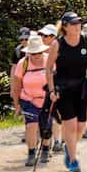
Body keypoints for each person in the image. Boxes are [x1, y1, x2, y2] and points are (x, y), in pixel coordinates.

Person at [46, 12, 87, 172]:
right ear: (65, 27)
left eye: (79, 22)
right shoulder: (58, 44)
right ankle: (73, 160)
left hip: (81, 88)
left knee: (81, 127)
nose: (77, 26)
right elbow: (49, 69)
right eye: (73, 23)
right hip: (63, 89)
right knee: (70, 125)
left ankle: (69, 148)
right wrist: (51, 90)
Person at [11, 32, 52, 166]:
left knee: (46, 127)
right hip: (28, 99)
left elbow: (57, 79)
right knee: (31, 125)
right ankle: (31, 153)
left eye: (38, 53)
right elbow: (17, 85)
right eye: (33, 53)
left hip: (47, 99)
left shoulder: (49, 60)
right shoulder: (23, 63)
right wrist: (17, 104)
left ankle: (45, 148)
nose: (36, 56)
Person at [37, 24, 64, 152]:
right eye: (41, 35)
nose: (42, 38)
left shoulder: (60, 51)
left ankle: (57, 140)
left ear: (53, 37)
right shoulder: (36, 51)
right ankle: (44, 140)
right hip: (39, 89)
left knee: (56, 115)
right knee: (44, 115)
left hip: (55, 86)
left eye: (46, 36)